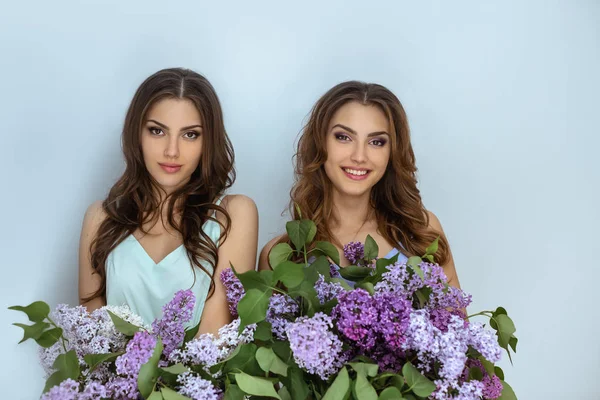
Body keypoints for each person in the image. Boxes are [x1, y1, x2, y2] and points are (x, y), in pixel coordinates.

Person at [78, 68, 258, 335]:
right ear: (136, 134)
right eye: (157, 131)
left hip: (201, 375)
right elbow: (90, 337)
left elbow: (216, 336)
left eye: (190, 135)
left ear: (208, 141)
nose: (171, 151)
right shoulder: (100, 218)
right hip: (113, 377)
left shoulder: (233, 214)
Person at [258, 81, 460, 290]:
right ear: (320, 143)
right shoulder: (282, 255)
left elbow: (456, 320)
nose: (359, 156)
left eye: (376, 142)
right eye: (343, 137)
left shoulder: (421, 234)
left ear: (392, 152)